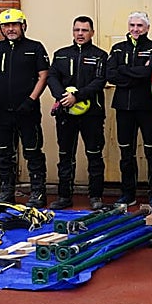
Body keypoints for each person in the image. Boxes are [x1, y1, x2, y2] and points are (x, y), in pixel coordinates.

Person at [0, 8, 50, 206]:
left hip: (27, 111)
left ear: (23, 26)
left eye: (14, 25)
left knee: (33, 151)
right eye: (6, 26)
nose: (10, 29)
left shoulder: (35, 48)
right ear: (1, 28)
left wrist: (31, 99)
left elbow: (44, 75)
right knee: (4, 153)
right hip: (3, 112)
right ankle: (6, 192)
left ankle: (37, 193)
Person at [47, 16, 109, 210]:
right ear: (72, 32)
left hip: (92, 115)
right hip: (66, 114)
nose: (80, 34)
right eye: (77, 30)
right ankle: (64, 196)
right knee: (65, 155)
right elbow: (52, 77)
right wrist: (62, 97)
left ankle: (96, 197)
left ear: (92, 32)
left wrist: (78, 97)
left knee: (94, 155)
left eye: (84, 30)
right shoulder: (61, 54)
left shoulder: (100, 55)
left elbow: (99, 82)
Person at [106, 11, 152, 208]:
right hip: (123, 108)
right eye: (132, 25)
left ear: (147, 28)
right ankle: (127, 193)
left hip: (148, 108)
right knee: (126, 153)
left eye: (139, 26)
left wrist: (125, 70)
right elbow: (110, 75)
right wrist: (136, 74)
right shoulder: (118, 49)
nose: (135, 29)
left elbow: (150, 73)